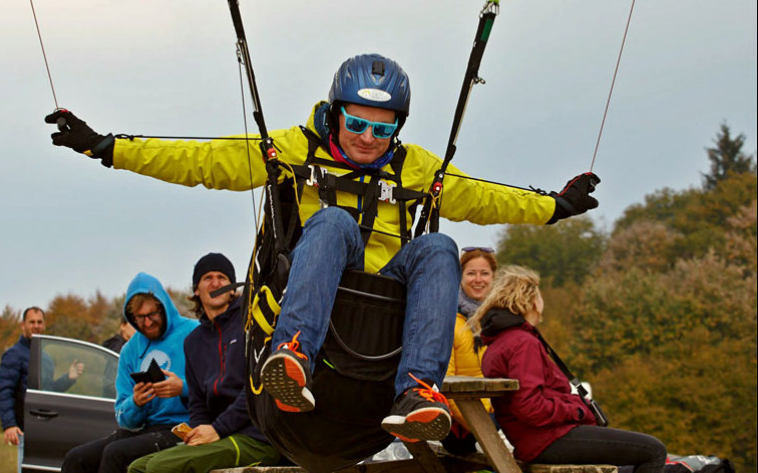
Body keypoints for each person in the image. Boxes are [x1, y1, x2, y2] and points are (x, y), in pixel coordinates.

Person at [45, 54, 600, 468]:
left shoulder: (415, 168)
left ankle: (416, 390)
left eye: (383, 130)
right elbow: (202, 159)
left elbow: (485, 196)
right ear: (335, 114)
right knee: (333, 220)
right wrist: (107, 147)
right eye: (357, 124)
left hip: (383, 301)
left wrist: (555, 207)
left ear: (398, 129)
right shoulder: (290, 149)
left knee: (438, 246)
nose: (367, 138)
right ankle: (292, 356)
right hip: (317, 298)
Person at [468, 265, 667, 473]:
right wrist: (578, 410)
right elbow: (530, 407)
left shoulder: (501, 341)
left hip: (535, 438)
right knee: (653, 450)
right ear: (531, 301)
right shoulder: (523, 343)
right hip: (546, 440)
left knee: (627, 459)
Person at [128, 253, 280, 473]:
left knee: (159, 467)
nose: (215, 283)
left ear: (232, 289)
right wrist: (198, 431)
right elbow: (197, 402)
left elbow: (256, 391)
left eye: (222, 277)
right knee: (138, 467)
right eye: (208, 277)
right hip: (218, 436)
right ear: (196, 290)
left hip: (255, 437)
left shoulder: (251, 325)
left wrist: (217, 429)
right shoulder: (193, 341)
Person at [61, 272, 198, 473]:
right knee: (77, 458)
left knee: (115, 453)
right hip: (147, 429)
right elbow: (124, 417)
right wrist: (136, 402)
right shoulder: (129, 350)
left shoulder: (193, 333)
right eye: (140, 318)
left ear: (164, 308)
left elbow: (213, 386)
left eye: (153, 314)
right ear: (130, 318)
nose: (148, 323)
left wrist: (182, 388)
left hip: (184, 428)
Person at [0, 307, 84, 473]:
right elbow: (4, 391)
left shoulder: (46, 359)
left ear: (44, 325)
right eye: (32, 322)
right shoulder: (13, 355)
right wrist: (9, 425)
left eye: (39, 322)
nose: (36, 326)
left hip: (43, 428)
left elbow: (48, 391)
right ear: (23, 325)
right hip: (26, 430)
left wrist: (69, 378)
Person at [442, 246, 498, 456]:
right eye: (471, 273)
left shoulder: (502, 318)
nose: (478, 279)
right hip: (461, 427)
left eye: (484, 273)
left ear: (493, 277)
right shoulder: (448, 319)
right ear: (460, 276)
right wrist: (481, 424)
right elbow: (446, 381)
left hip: (498, 418)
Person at [102, 317, 136, 398]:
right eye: (134, 324)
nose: (137, 329)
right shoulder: (119, 349)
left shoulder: (130, 348)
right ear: (123, 326)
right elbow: (110, 385)